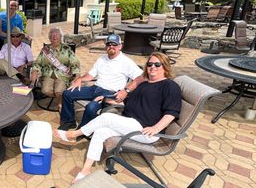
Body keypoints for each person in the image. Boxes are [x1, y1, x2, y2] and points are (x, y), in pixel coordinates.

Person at [53, 52, 182, 183]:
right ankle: (85, 170)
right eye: (149, 64)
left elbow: (172, 112)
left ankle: (74, 134)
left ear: (165, 67)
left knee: (106, 117)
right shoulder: (144, 84)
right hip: (131, 123)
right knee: (100, 132)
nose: (152, 67)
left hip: (144, 129)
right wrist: (106, 99)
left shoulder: (170, 86)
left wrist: (156, 128)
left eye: (157, 64)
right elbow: (128, 101)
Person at [59, 34, 143, 130]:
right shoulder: (102, 58)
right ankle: (69, 121)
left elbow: (141, 77)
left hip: (109, 93)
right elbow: (90, 75)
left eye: (114, 44)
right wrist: (80, 79)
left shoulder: (126, 62)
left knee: (90, 108)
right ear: (106, 46)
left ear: (120, 46)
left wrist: (126, 91)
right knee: (67, 94)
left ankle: (83, 130)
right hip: (94, 88)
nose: (111, 46)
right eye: (109, 44)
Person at [30, 27, 80, 109]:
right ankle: (60, 98)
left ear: (61, 37)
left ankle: (60, 103)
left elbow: (75, 63)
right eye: (52, 35)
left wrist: (77, 75)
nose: (54, 37)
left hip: (63, 75)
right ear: (49, 38)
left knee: (59, 90)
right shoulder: (45, 50)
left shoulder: (67, 49)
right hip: (48, 74)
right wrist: (34, 71)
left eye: (57, 35)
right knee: (45, 90)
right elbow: (37, 62)